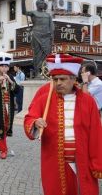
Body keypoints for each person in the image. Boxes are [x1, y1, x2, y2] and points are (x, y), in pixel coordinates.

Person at [24, 54, 102, 195]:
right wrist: (36, 122)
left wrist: (97, 164)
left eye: (62, 79)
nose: (58, 83)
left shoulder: (88, 101)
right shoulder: (44, 98)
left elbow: (96, 134)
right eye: (55, 79)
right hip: (54, 163)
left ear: (73, 79)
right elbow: (30, 117)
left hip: (82, 163)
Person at [0, 56, 18, 159]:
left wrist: (10, 81)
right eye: (2, 66)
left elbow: (17, 90)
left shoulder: (11, 77)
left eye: (6, 66)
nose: (4, 68)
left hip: (9, 107)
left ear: (8, 68)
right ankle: (3, 150)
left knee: (6, 126)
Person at [22, 0, 54, 77]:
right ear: (37, 4)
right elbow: (24, 12)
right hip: (37, 35)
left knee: (46, 55)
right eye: (41, 3)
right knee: (37, 55)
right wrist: (23, 1)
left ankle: (45, 72)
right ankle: (37, 72)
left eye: (43, 3)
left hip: (46, 37)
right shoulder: (34, 13)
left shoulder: (48, 15)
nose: (42, 5)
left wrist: (52, 38)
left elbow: (51, 27)